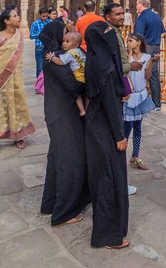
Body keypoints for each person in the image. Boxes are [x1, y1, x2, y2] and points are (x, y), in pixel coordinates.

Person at [39, 19, 90, 226]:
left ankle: (50, 203)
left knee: (56, 158)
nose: (63, 36)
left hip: (57, 111)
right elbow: (73, 85)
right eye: (61, 32)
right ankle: (64, 213)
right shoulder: (56, 59)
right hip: (64, 114)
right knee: (70, 161)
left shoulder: (51, 56)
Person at [84, 21, 129, 249]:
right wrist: (119, 135)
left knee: (102, 177)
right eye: (110, 35)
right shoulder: (106, 67)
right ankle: (109, 235)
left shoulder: (93, 60)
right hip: (107, 127)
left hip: (94, 124)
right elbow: (110, 103)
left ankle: (107, 231)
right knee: (111, 179)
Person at [0, 7, 35, 149]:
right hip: (2, 79)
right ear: (7, 21)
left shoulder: (19, 35)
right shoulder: (0, 37)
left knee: (17, 103)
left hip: (16, 79)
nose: (18, 17)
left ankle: (18, 135)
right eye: (15, 16)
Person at [124, 33, 157, 170]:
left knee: (137, 127)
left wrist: (152, 62)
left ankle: (135, 156)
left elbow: (147, 76)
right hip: (129, 96)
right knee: (126, 127)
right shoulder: (126, 57)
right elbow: (124, 73)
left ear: (138, 42)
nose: (128, 43)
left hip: (140, 95)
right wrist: (128, 56)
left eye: (130, 41)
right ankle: (120, 156)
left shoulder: (147, 57)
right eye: (127, 41)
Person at [135, 0, 166, 111]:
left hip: (145, 47)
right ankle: (156, 103)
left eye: (137, 3)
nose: (136, 6)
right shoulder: (157, 17)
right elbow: (162, 32)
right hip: (156, 47)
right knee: (153, 75)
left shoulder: (142, 18)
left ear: (141, 4)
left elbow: (138, 36)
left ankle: (140, 101)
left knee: (139, 73)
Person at [45, 31, 86, 116]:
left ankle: (82, 110)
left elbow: (61, 62)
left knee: (77, 96)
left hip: (77, 79)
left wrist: (52, 57)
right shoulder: (80, 51)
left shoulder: (69, 53)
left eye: (67, 42)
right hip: (85, 77)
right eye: (63, 41)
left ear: (75, 45)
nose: (64, 44)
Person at [29, 7, 50, 77]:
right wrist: (40, 34)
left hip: (48, 47)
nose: (45, 18)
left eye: (46, 16)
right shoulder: (35, 24)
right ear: (39, 15)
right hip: (39, 47)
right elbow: (31, 36)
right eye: (43, 16)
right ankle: (39, 84)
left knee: (48, 66)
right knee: (40, 67)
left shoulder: (49, 22)